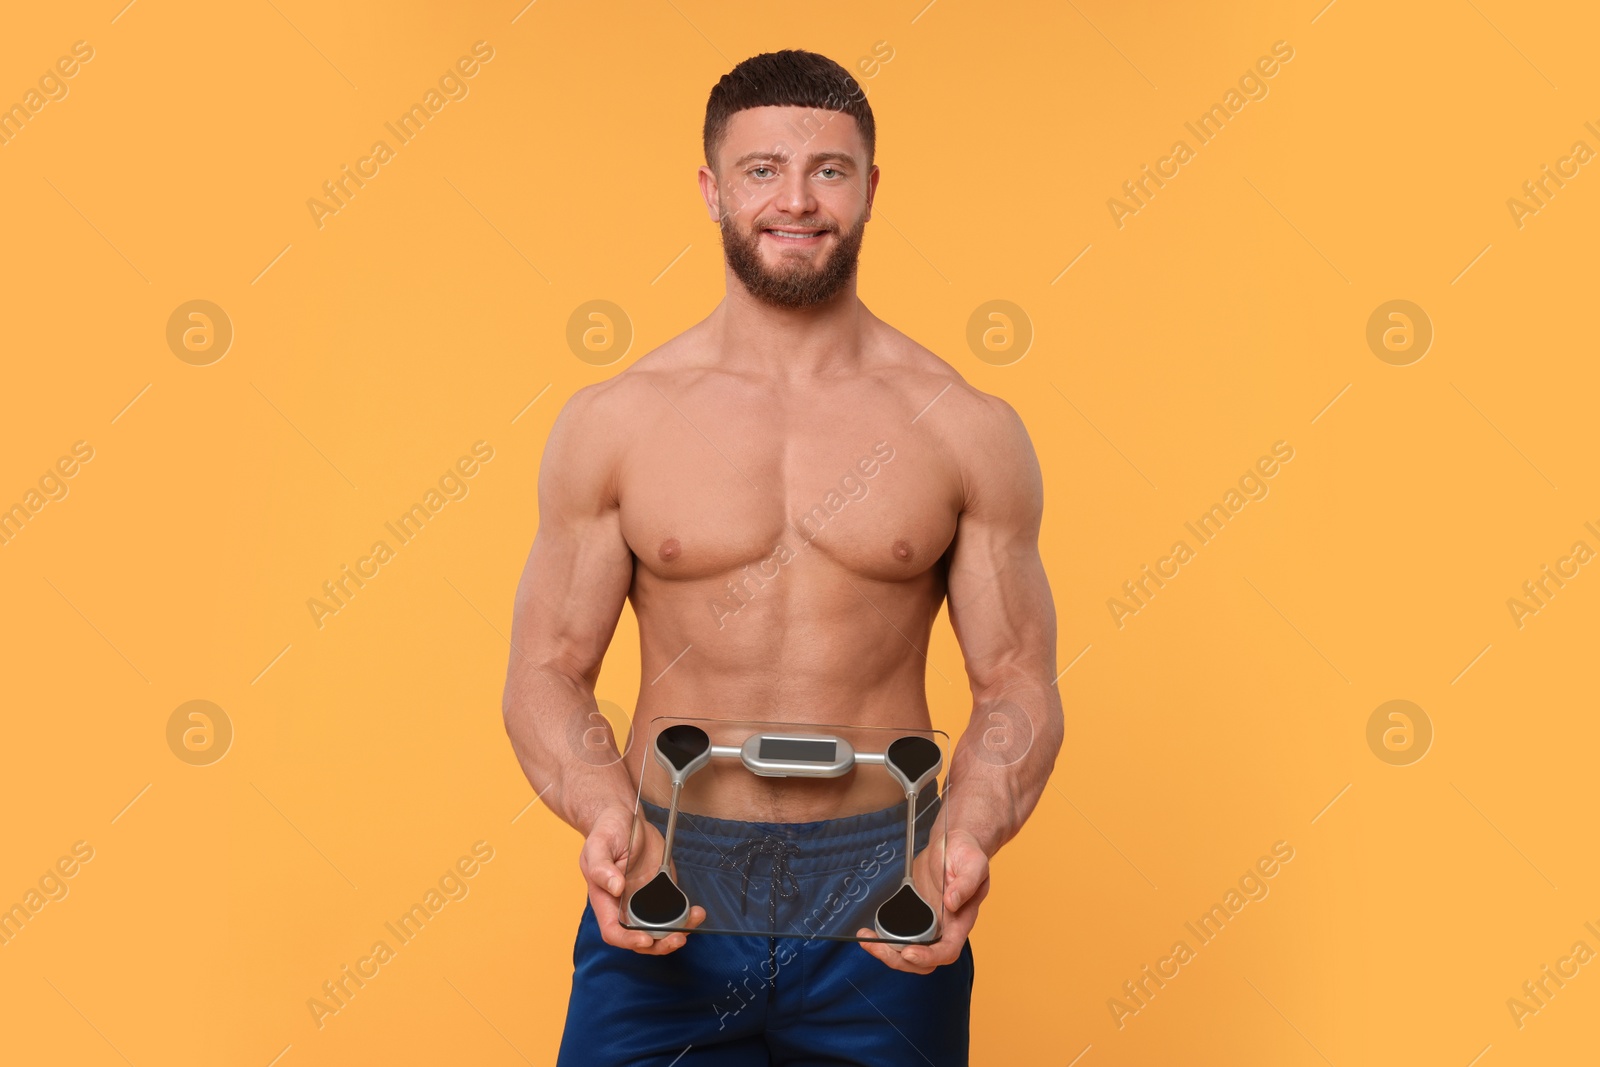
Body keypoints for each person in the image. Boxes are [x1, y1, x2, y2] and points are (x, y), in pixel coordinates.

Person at [502, 48, 1063, 1066]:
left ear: (872, 189)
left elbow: (1016, 679)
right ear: (713, 187)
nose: (795, 201)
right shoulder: (617, 423)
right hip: (669, 878)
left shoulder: (962, 428)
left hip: (883, 896)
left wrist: (966, 838)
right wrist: (602, 816)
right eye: (762, 169)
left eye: (829, 171)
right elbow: (546, 668)